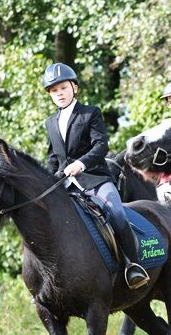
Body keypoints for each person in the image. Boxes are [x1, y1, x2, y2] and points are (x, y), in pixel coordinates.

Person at [42, 62, 150, 289]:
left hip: (94, 179)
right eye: (54, 90)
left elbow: (100, 146)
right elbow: (53, 158)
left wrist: (81, 164)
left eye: (63, 88)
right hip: (65, 185)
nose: (59, 93)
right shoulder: (50, 123)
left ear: (74, 88)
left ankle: (133, 265)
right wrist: (47, 182)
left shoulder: (90, 113)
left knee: (116, 213)